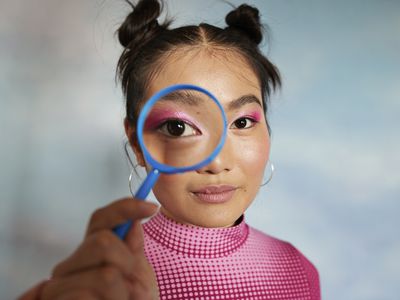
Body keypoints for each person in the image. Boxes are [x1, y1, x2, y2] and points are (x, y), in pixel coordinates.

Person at [19, 0, 321, 299]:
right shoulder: (100, 281)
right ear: (138, 143)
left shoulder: (298, 270)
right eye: (178, 127)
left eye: (242, 122)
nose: (216, 162)